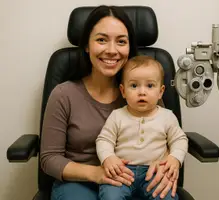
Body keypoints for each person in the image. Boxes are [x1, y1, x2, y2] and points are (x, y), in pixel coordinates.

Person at [40, 5, 178, 200]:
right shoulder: (64, 94)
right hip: (78, 183)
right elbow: (49, 159)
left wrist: (168, 163)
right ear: (87, 45)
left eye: (121, 41)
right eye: (102, 40)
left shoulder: (144, 91)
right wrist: (96, 173)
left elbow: (169, 136)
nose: (112, 50)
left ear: (129, 47)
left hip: (136, 180)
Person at [96, 55, 188, 200]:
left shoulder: (167, 116)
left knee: (166, 197)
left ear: (161, 91)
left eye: (150, 86)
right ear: (123, 91)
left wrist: (174, 158)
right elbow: (104, 140)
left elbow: (180, 139)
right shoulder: (117, 116)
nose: (142, 92)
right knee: (110, 196)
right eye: (134, 86)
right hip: (122, 172)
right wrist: (108, 158)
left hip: (154, 172)